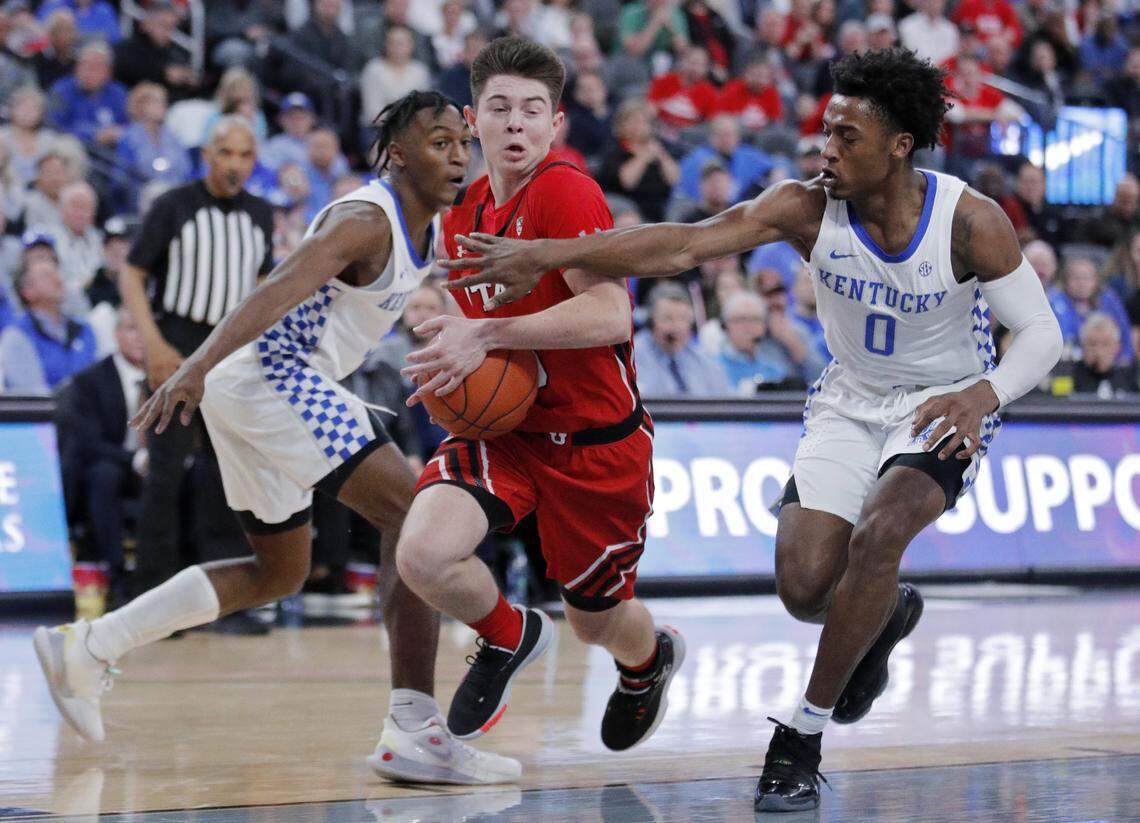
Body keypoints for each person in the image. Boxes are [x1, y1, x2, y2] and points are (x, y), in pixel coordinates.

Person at [439, 48, 1063, 811]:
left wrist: (983, 392)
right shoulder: (804, 206)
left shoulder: (972, 220)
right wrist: (549, 253)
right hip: (850, 396)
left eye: (847, 137)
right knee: (805, 589)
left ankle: (799, 736)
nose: (825, 149)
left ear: (900, 145)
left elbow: (1041, 332)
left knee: (879, 533)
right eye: (824, 130)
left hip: (943, 403)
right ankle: (888, 610)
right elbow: (683, 243)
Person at [32, 91, 520, 786]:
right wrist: (194, 366)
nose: (457, 155)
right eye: (440, 142)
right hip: (271, 377)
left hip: (257, 388)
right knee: (417, 517)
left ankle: (90, 644)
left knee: (279, 571)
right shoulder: (364, 219)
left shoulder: (429, 228)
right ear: (400, 152)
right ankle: (415, 729)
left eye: (461, 143)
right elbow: (272, 289)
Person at [397, 37, 685, 759]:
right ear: (473, 120)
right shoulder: (460, 212)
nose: (517, 123)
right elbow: (477, 332)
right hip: (510, 430)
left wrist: (486, 329)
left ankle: (648, 662)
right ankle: (507, 635)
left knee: (594, 619)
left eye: (533, 110)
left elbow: (611, 315)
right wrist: (447, 348)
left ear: (555, 123)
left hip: (594, 440)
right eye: (500, 109)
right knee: (423, 555)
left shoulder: (564, 189)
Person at [114, 118, 275, 620]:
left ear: (254, 160)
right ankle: (149, 603)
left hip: (232, 354)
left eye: (243, 155)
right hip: (178, 346)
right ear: (207, 155)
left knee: (232, 479)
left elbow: (267, 283)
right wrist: (155, 344)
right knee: (165, 477)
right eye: (224, 153)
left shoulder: (261, 214)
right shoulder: (174, 206)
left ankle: (222, 603)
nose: (233, 164)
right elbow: (132, 273)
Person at [56, 307, 147, 604]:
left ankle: (176, 574)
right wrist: (134, 460)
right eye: (133, 328)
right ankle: (116, 574)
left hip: (157, 467)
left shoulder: (169, 375)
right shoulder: (90, 380)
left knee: (198, 471)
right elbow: (87, 442)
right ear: (117, 334)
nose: (141, 338)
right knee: (103, 473)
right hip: (110, 467)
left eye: (146, 329)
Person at [0, 251, 96, 393]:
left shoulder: (84, 329)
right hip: (46, 413)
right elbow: (34, 400)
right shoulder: (16, 336)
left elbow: (100, 384)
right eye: (47, 276)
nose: (58, 279)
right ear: (27, 291)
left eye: (57, 272)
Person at [635, 281, 732, 396]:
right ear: (651, 322)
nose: (676, 327)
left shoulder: (704, 361)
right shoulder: (634, 357)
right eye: (667, 319)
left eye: (682, 319)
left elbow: (726, 401)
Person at [1069, 311, 1137, 396]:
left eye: (1106, 344)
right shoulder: (1070, 374)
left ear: (1117, 347)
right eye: (1092, 344)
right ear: (1082, 345)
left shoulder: (1130, 376)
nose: (1099, 351)